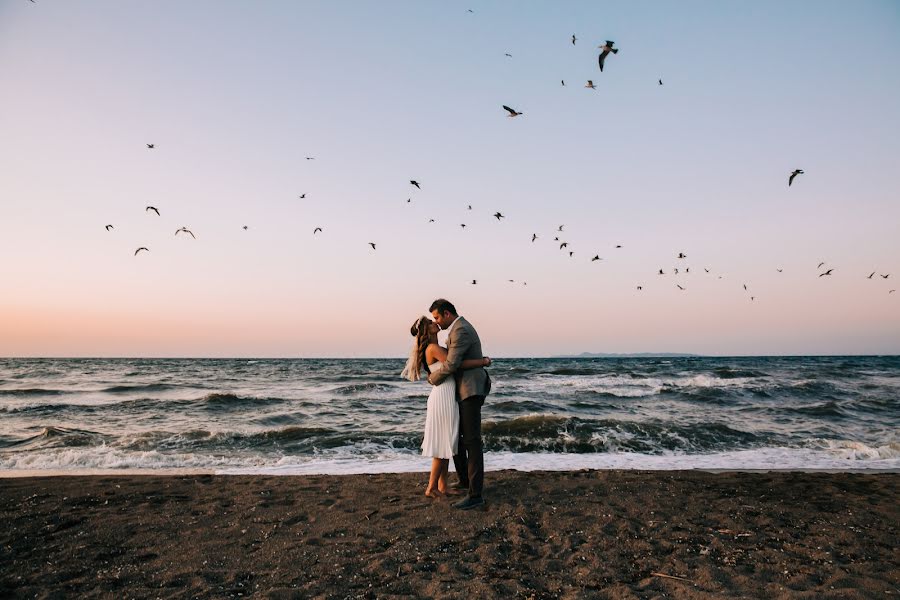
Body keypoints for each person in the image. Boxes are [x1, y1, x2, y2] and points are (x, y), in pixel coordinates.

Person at [402, 315, 490, 498]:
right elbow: (455, 365)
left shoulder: (436, 347)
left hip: (447, 395)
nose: (435, 322)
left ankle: (442, 485)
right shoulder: (433, 348)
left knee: (445, 442)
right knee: (442, 443)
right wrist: (482, 361)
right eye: (431, 321)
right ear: (427, 330)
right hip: (442, 396)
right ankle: (431, 487)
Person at [427, 299, 491, 510]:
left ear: (446, 314)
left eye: (437, 317)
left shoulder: (461, 330)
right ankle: (465, 481)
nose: (436, 321)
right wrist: (482, 361)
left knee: (471, 441)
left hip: (470, 389)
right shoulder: (456, 330)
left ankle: (475, 495)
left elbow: (452, 364)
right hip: (463, 390)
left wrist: (433, 379)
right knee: (460, 439)